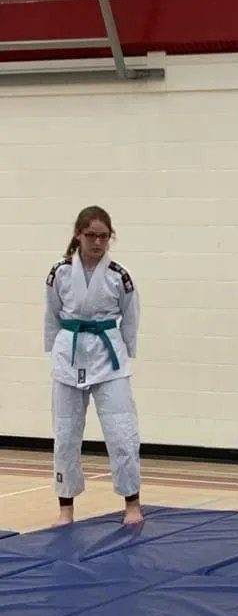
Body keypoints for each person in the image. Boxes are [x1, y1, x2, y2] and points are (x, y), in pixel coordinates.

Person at [44, 206, 142, 526]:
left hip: (108, 357)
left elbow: (130, 316)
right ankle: (65, 507)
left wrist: (126, 352)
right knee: (66, 433)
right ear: (78, 235)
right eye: (91, 235)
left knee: (121, 433)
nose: (98, 242)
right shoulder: (59, 273)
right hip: (69, 354)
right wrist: (54, 349)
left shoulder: (118, 275)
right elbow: (52, 314)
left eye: (104, 236)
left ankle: (131, 503)